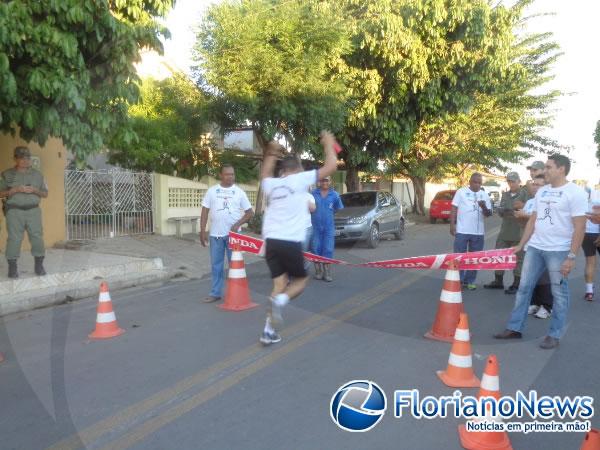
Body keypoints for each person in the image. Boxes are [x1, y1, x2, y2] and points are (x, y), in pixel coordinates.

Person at [494, 154, 587, 349]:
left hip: (559, 250)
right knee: (523, 288)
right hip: (535, 247)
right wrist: (521, 245)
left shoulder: (575, 193)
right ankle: (514, 328)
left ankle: (554, 334)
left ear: (561, 169)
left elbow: (579, 227)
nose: (545, 170)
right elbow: (533, 220)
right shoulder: (542, 191)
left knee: (559, 292)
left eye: (548, 167)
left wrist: (571, 256)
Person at [259, 131, 337, 345]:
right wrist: (329, 144)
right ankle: (280, 303)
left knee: (279, 283)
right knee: (300, 281)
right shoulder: (299, 179)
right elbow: (331, 166)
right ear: (296, 169)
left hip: (271, 243)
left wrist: (271, 152)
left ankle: (268, 331)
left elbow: (265, 172)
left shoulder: (271, 185)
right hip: (289, 241)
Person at [200, 165, 254, 303]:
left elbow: (250, 213)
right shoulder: (212, 191)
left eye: (232, 174)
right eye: (227, 174)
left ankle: (235, 294)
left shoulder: (239, 192)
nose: (231, 177)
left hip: (234, 237)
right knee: (216, 265)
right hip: (215, 235)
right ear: (221, 175)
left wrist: (238, 224)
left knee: (235, 266)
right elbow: (205, 211)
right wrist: (202, 231)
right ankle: (215, 293)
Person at [0, 146, 48, 278]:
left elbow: (45, 193)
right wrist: (14, 190)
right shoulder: (6, 174)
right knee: (14, 239)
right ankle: (12, 267)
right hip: (14, 212)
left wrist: (34, 190)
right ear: (15, 159)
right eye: (21, 158)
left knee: (37, 237)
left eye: (27, 157)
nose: (25, 160)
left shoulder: (38, 175)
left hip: (33, 211)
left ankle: (39, 264)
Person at [514, 174, 553, 319]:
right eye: (534, 184)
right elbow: (525, 225)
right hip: (529, 244)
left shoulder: (549, 201)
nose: (535, 187)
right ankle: (535, 303)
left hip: (544, 245)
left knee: (544, 277)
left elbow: (544, 221)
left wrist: (526, 217)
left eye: (539, 184)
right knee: (531, 277)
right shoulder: (530, 202)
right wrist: (521, 218)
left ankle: (547, 306)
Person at [484, 172, 527, 293]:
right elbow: (502, 211)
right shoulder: (505, 194)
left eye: (513, 181)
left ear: (519, 181)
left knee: (519, 259)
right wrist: (505, 211)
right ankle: (498, 281)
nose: (511, 183)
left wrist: (511, 211)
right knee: (499, 256)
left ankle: (516, 284)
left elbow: (528, 210)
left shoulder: (524, 194)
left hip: (519, 232)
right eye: (509, 181)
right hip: (505, 231)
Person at [450, 173, 493, 290]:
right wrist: (452, 224)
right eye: (475, 182)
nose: (477, 185)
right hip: (462, 230)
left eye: (480, 183)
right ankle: (458, 281)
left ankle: (470, 281)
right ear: (470, 181)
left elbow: (489, 214)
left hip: (478, 232)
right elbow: (454, 207)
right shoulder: (461, 192)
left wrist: (483, 207)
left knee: (474, 258)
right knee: (459, 257)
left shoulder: (484, 195)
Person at [311, 176, 343, 282]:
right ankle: (318, 271)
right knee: (315, 248)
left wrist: (329, 214)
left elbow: (338, 209)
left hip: (329, 227)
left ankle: (327, 272)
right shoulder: (313, 194)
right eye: (322, 180)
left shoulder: (335, 195)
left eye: (327, 180)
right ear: (319, 182)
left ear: (330, 181)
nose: (324, 182)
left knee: (328, 249)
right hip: (315, 227)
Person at [582, 187, 600, 301]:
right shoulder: (597, 197)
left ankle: (589, 291)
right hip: (597, 232)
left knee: (590, 262)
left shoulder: (581, 199)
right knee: (590, 262)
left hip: (586, 233)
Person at [303, 190, 316, 270]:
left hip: (306, 227)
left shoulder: (309, 196)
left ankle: (302, 269)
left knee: (304, 250)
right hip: (291, 228)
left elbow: (313, 209)